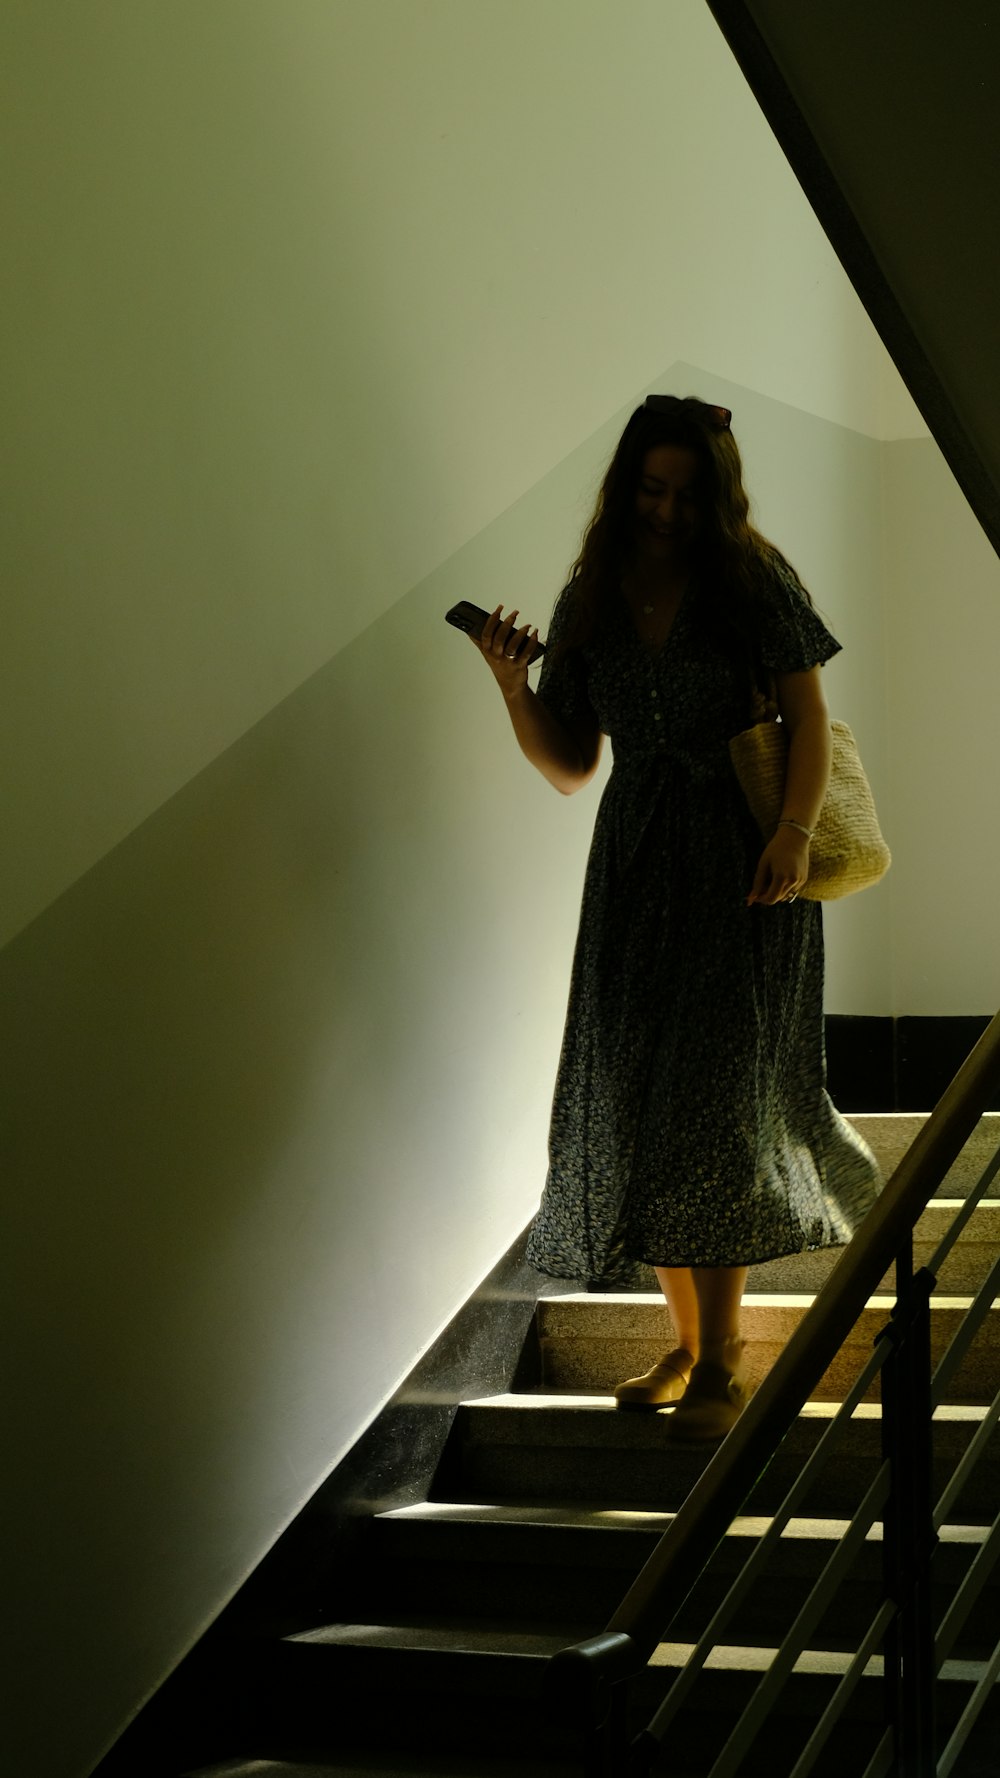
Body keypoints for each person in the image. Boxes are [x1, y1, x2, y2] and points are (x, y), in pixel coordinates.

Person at [470, 394, 880, 1442]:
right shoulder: (592, 596)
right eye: (651, 489)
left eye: (687, 492)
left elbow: (810, 712)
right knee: (635, 1094)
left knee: (715, 1105)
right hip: (636, 866)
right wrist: (515, 687)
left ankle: (723, 1352)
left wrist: (791, 830)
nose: (665, 510)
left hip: (745, 863)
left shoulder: (752, 577)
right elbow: (570, 766)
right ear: (625, 485)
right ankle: (686, 1338)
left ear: (716, 492)